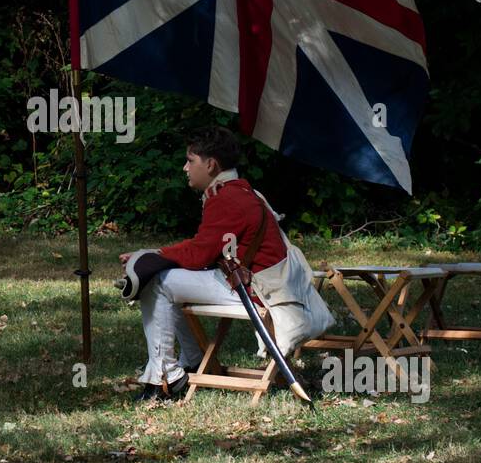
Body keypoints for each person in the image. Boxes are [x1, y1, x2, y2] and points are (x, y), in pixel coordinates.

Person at [120, 126, 335, 403]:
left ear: (211, 164)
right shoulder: (238, 191)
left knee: (160, 282)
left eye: (191, 161)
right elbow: (207, 249)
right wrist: (155, 254)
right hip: (252, 282)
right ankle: (189, 363)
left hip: (256, 290)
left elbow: (200, 255)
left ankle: (167, 375)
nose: (185, 168)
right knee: (166, 279)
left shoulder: (227, 198)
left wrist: (152, 256)